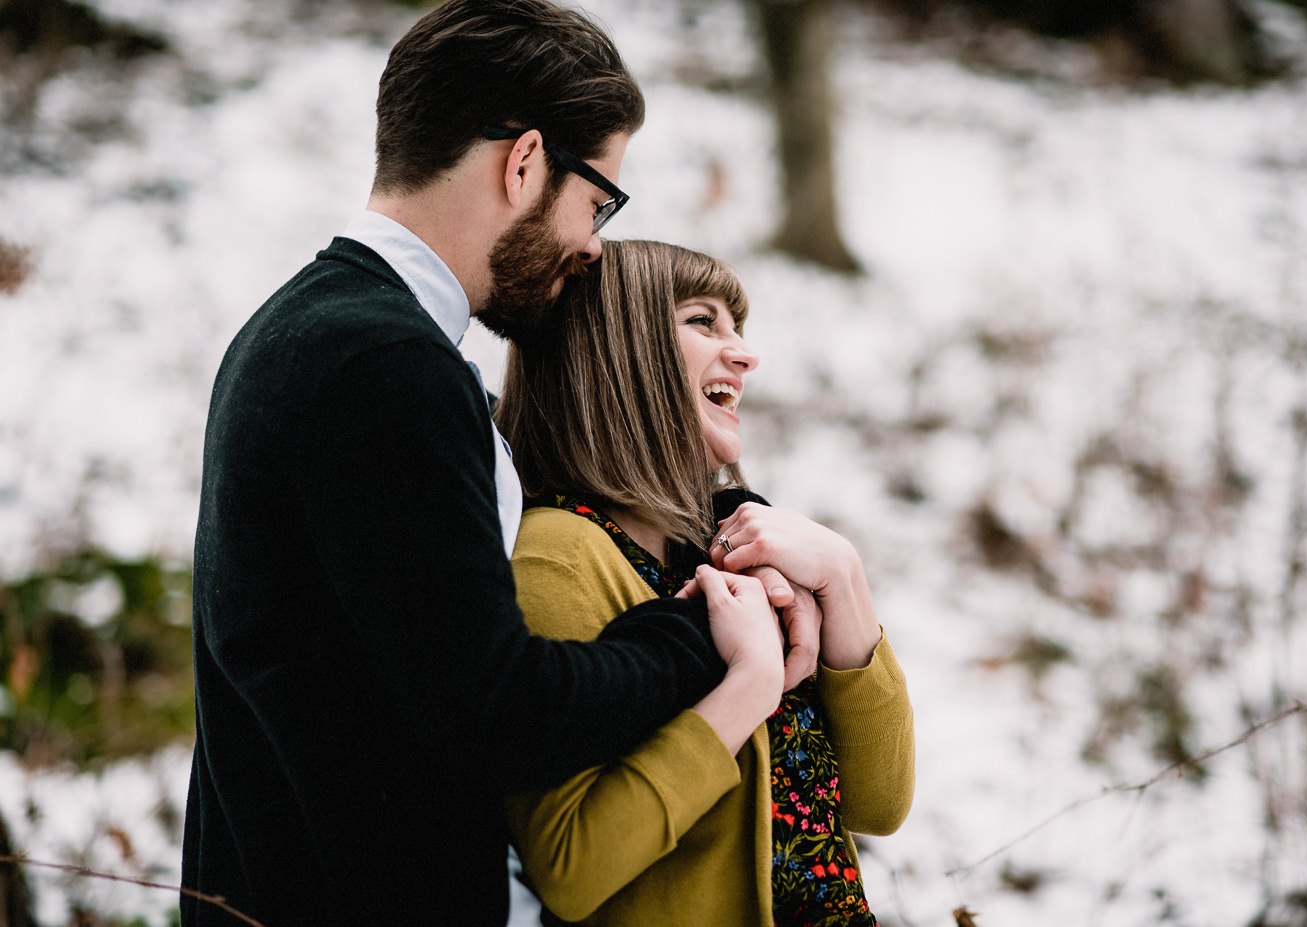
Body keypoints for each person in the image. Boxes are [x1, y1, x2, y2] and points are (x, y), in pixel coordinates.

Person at [180, 4, 799, 926]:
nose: (593, 244)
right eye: (598, 202)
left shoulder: (304, 329)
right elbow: (500, 714)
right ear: (524, 163)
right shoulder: (384, 366)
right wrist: (695, 634)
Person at [495, 240, 915, 926]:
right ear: (617, 352)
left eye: (738, 327)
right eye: (702, 321)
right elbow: (569, 868)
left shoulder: (725, 553)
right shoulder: (558, 558)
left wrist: (843, 576)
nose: (744, 354)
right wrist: (748, 685)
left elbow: (880, 802)